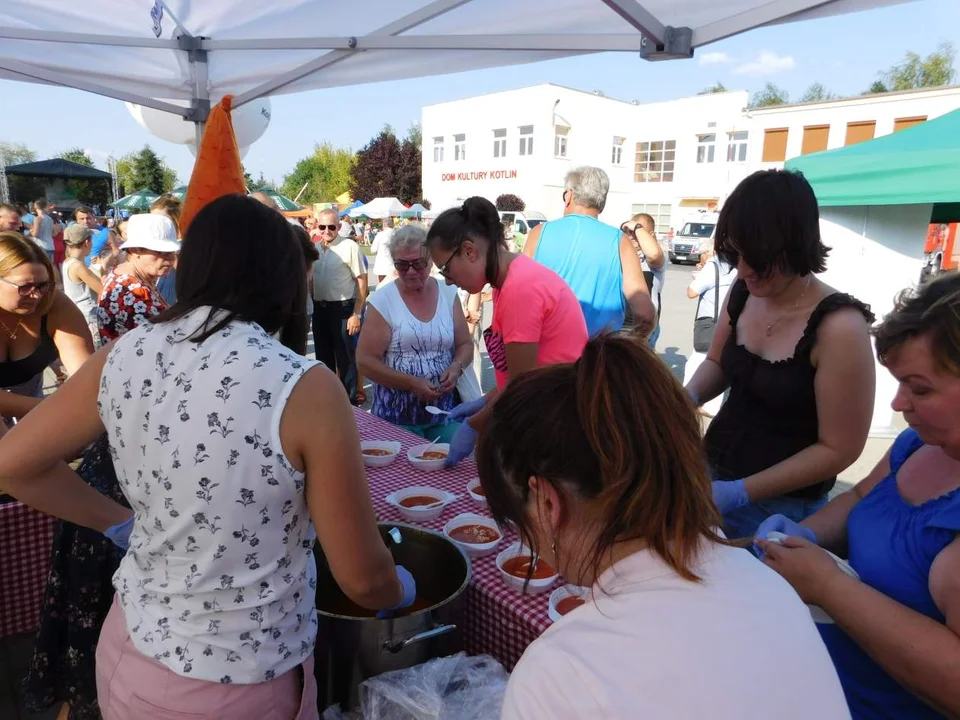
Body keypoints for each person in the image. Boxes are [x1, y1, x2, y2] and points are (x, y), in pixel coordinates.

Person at [0, 194, 414, 720]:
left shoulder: (122, 355)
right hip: (238, 680)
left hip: (128, 649)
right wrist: (395, 588)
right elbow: (361, 576)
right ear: (284, 277)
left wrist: (119, 523)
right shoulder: (305, 385)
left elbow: (10, 462)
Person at [475, 333, 850, 719]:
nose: (526, 539)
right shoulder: (773, 589)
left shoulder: (560, 673)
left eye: (520, 523)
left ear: (547, 502)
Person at [757, 272, 960, 720]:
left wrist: (828, 587)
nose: (898, 404)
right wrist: (799, 536)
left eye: (920, 388)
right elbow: (862, 496)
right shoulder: (919, 443)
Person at [686, 170, 876, 539]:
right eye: (734, 255)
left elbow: (840, 448)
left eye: (754, 258)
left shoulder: (839, 327)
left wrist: (742, 492)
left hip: (779, 507)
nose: (742, 270)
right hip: (709, 474)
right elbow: (716, 363)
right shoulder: (742, 292)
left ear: (792, 244)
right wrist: (685, 397)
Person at [425, 197, 588, 467]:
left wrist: (474, 426)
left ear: (469, 251)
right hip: (544, 411)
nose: (449, 280)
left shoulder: (520, 288)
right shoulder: (506, 283)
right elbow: (514, 376)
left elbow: (520, 386)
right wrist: (482, 401)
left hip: (556, 420)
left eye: (446, 269)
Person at [357, 224, 473, 443]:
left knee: (454, 469)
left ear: (431, 260)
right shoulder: (383, 300)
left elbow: (465, 344)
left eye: (418, 264)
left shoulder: (448, 292)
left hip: (444, 415)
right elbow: (365, 361)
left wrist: (456, 368)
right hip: (396, 420)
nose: (410, 271)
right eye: (402, 265)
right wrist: (411, 383)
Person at [522, 166, 654, 337]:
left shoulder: (538, 234)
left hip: (546, 353)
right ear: (602, 203)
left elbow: (520, 295)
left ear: (569, 195)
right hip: (600, 354)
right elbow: (644, 312)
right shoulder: (620, 241)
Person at [0, 231, 94, 421]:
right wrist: (58, 411)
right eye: (24, 287)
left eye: (43, 285)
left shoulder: (54, 304)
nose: (36, 295)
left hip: (35, 412)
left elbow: (85, 377)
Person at [312, 208, 367, 405]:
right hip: (320, 311)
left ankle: (351, 405)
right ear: (317, 226)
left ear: (339, 226)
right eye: (322, 226)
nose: (327, 230)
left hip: (343, 310)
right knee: (323, 360)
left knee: (346, 361)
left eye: (332, 226)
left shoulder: (349, 246)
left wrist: (357, 314)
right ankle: (329, 404)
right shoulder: (315, 249)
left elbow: (361, 280)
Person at [96, 214, 177, 344]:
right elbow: (154, 344)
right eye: (160, 252)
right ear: (135, 250)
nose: (171, 258)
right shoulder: (131, 293)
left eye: (172, 251)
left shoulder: (130, 276)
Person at [683, 249, 737, 417]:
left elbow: (691, 292)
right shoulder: (736, 265)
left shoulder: (713, 266)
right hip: (730, 319)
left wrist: (699, 277)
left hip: (710, 321)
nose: (701, 255)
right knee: (720, 360)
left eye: (703, 252)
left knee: (701, 361)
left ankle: (688, 402)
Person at [622, 212, 666, 348]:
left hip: (643, 326)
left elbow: (653, 255)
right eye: (629, 232)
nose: (632, 236)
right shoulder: (625, 253)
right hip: (621, 323)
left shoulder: (656, 255)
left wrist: (637, 227)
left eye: (637, 232)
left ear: (650, 235)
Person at [61, 224, 103, 345]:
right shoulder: (78, 266)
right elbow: (102, 289)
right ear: (87, 242)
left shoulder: (68, 262)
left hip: (77, 313)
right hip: (89, 315)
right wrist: (103, 269)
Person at [150, 194, 183, 305]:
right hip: (161, 288)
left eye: (162, 219)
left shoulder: (186, 242)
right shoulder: (156, 241)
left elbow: (187, 273)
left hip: (176, 293)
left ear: (175, 218)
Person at [371, 216, 396, 283]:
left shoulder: (380, 235)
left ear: (384, 224)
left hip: (382, 265)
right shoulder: (397, 234)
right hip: (395, 265)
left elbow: (373, 250)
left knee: (382, 286)